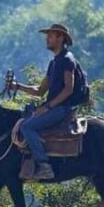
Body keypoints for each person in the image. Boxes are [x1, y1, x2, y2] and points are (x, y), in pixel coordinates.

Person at [9, 23, 83, 180]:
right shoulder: (54, 63)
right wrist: (18, 86)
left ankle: (44, 166)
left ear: (60, 38)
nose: (47, 39)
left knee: (27, 126)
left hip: (63, 108)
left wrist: (48, 107)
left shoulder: (67, 60)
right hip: (55, 107)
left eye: (50, 36)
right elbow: (40, 90)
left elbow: (68, 89)